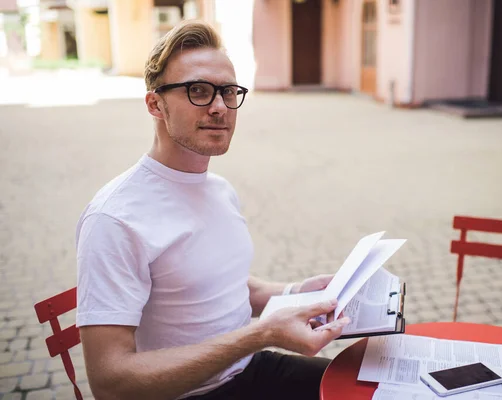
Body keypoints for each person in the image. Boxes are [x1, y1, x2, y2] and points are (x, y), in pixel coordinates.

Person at [75, 20, 348, 400]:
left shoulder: (219, 190)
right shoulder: (115, 218)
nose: (220, 107)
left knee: (375, 383)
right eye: (198, 91)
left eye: (229, 92)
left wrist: (299, 292)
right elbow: (110, 382)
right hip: (187, 393)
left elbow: (227, 286)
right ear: (155, 104)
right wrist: (264, 333)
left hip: (250, 370)